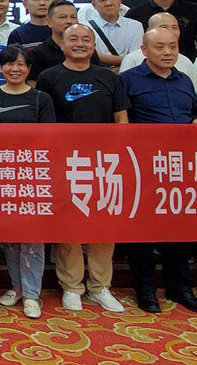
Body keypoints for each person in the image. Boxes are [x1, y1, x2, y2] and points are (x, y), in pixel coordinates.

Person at [119, 27, 197, 315]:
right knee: (142, 232)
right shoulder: (127, 80)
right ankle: (145, 288)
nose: (168, 52)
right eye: (159, 47)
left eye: (172, 46)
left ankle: (180, 287)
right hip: (142, 166)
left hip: (179, 167)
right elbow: (120, 123)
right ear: (144, 50)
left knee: (179, 229)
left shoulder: (184, 80)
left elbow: (193, 114)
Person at [36, 25, 128, 313]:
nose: (79, 44)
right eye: (73, 39)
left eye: (86, 39)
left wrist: (119, 153)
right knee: (69, 224)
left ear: (93, 45)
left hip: (104, 162)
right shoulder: (49, 77)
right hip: (65, 162)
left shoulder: (109, 78)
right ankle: (72, 286)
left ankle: (100, 286)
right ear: (62, 45)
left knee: (104, 224)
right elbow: (44, 123)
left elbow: (121, 119)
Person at [0, 46, 54, 320]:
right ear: (1, 67)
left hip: (33, 174)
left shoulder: (41, 98)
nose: (15, 69)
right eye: (10, 64)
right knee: (10, 236)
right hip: (0, 174)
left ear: (29, 69)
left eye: (22, 64)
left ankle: (33, 294)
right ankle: (17, 287)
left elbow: (50, 137)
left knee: (33, 237)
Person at [120, 13, 197, 84]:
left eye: (174, 27)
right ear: (149, 30)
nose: (170, 31)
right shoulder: (132, 58)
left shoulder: (186, 62)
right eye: (164, 27)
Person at [23, 0, 90, 81]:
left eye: (73, 17)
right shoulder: (38, 54)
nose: (69, 21)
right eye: (63, 17)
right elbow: (33, 83)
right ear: (49, 22)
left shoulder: (84, 49)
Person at [83, 0, 142, 69]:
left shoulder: (135, 26)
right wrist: (127, 61)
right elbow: (91, 56)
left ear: (120, 1)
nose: (109, 3)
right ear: (94, 5)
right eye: (103, 0)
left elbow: (137, 59)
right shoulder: (85, 27)